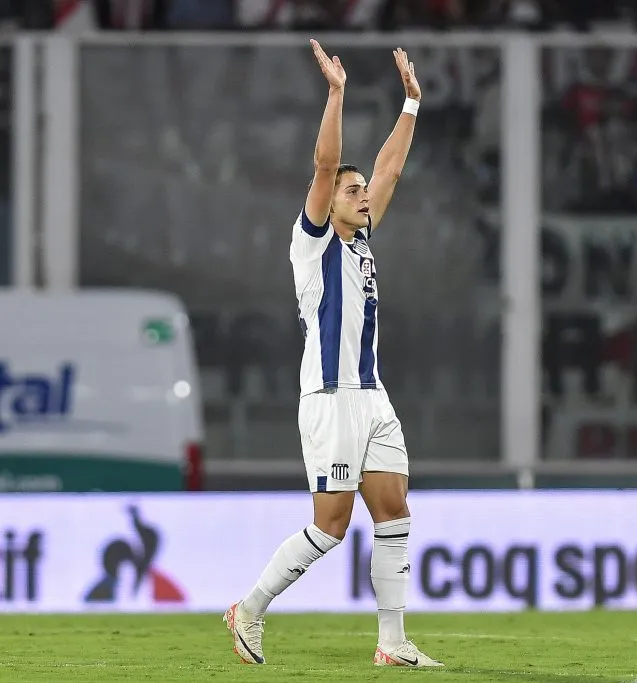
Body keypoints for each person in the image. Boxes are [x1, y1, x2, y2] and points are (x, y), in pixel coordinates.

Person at [223, 40, 443, 667]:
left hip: (372, 394)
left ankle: (394, 643)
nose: (362, 194)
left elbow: (391, 171)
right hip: (329, 396)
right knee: (330, 527)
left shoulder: (363, 240)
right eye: (353, 191)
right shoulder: (312, 243)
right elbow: (324, 168)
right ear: (331, 201)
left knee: (395, 510)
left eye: (360, 190)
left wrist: (410, 104)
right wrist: (338, 93)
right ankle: (249, 608)